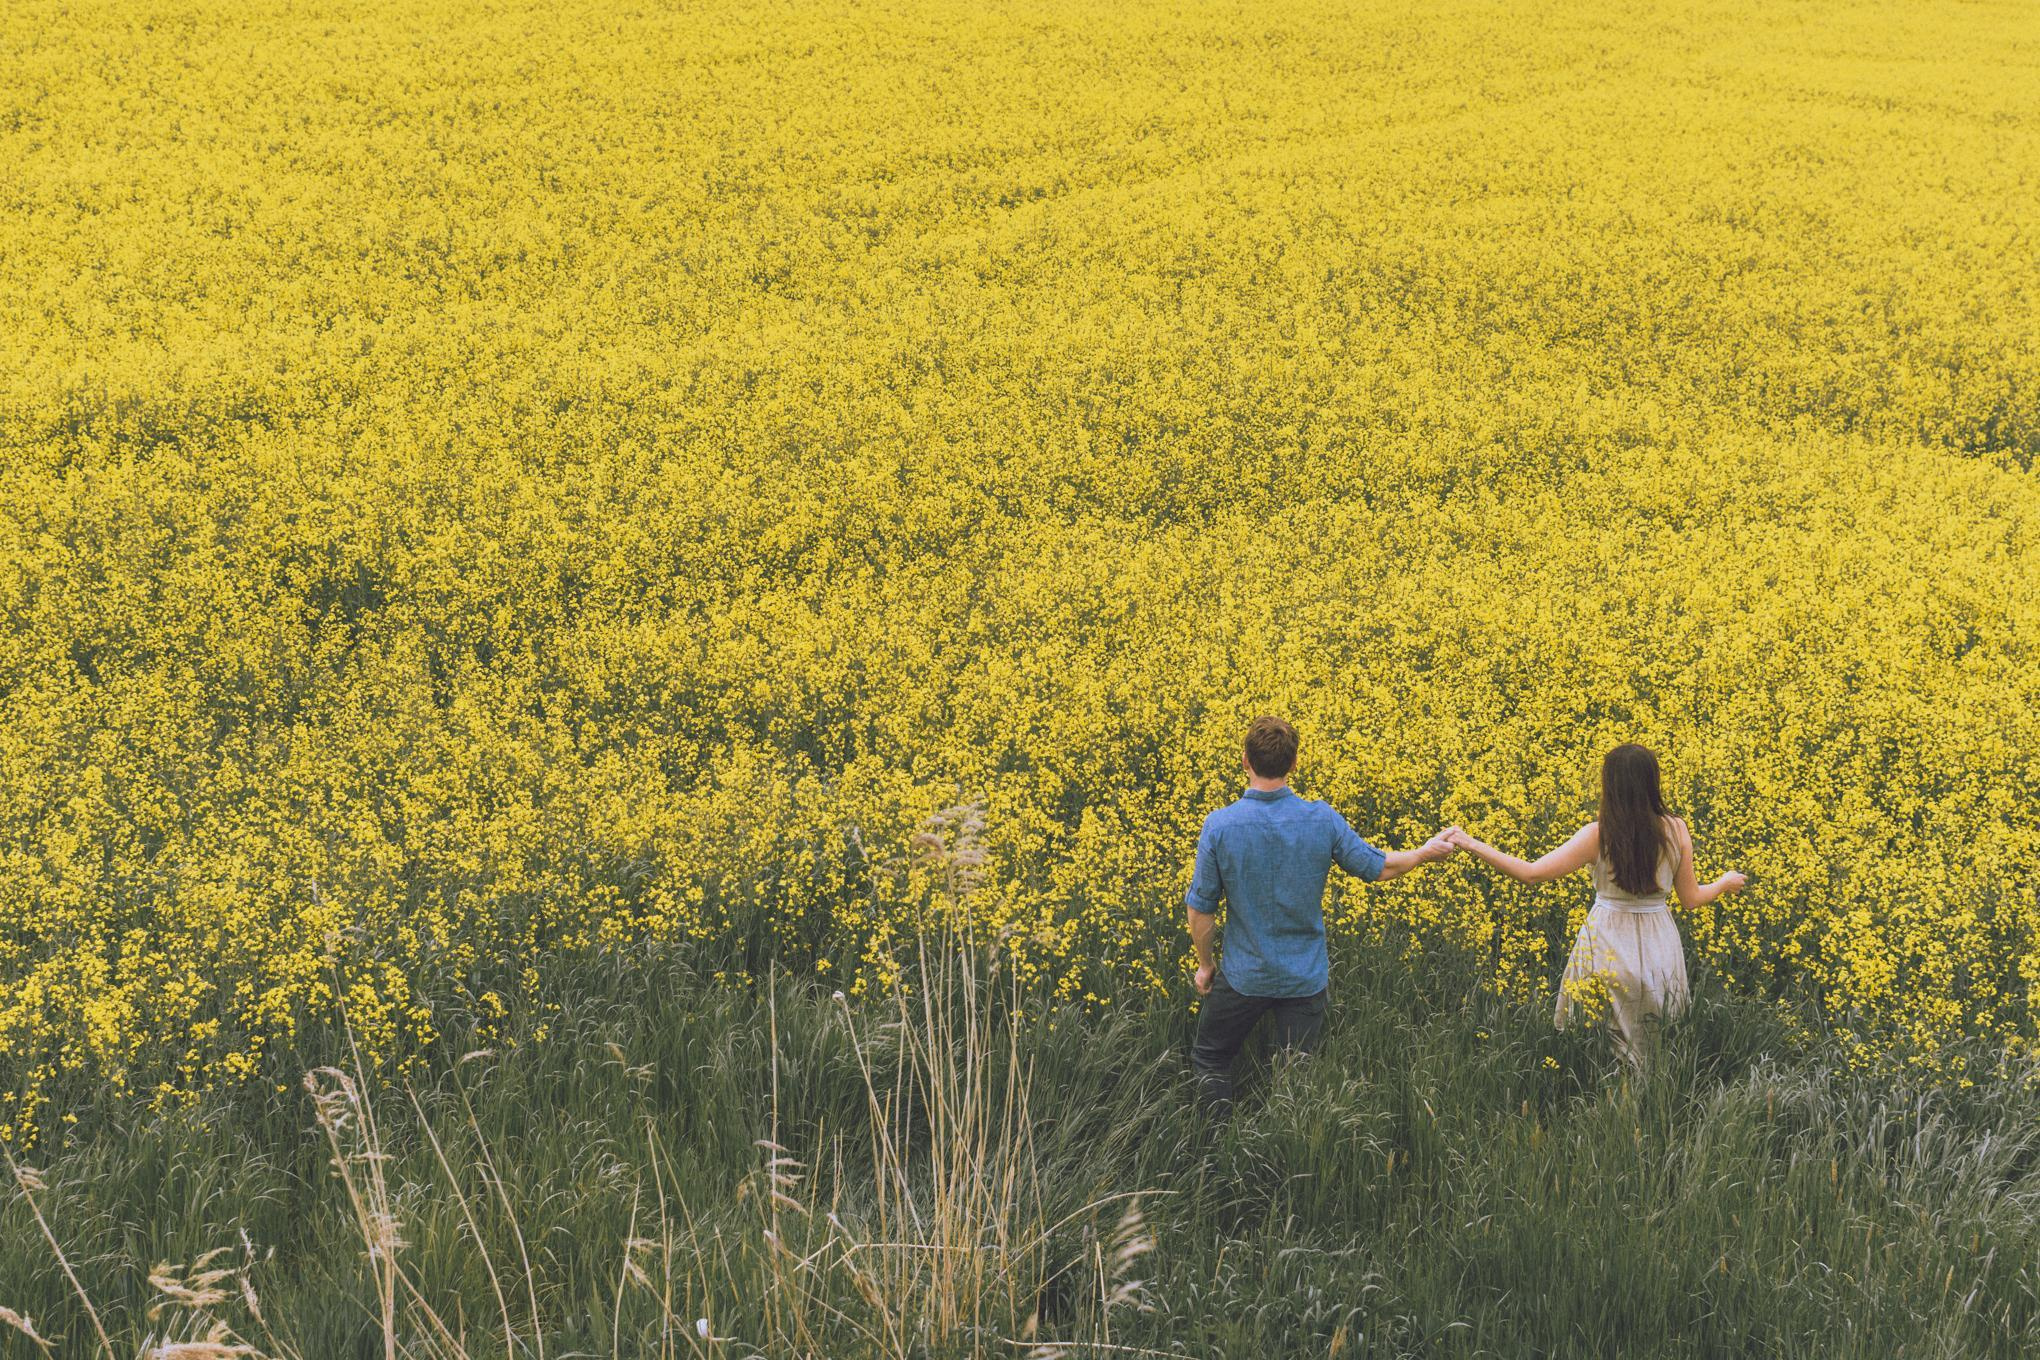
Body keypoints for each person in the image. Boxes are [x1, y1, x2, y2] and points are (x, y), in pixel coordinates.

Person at [1186, 716, 1457, 1111]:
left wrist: (1206, 964)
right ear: (1294, 764)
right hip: (1304, 976)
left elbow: (1201, 909)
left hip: (1245, 975)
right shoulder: (1321, 819)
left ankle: (1215, 1139)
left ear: (1245, 761)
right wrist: (1424, 853)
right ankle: (1289, 1141)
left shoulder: (1220, 825)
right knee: (1293, 1076)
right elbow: (1379, 868)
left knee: (1211, 1058)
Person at [1446, 743, 1746, 1061]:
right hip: (1659, 943)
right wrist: (1725, 882)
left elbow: (1531, 873)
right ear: (1652, 782)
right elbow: (1691, 899)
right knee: (1657, 1038)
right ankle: (1658, 1088)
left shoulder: (1598, 835)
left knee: (1600, 1043)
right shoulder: (1676, 829)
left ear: (1610, 785)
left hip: (1607, 941)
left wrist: (1470, 843)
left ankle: (1599, 1085)